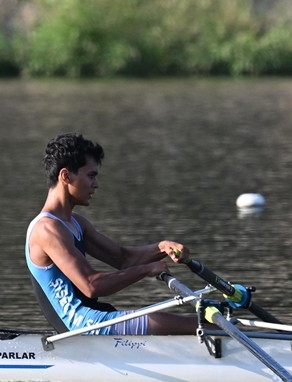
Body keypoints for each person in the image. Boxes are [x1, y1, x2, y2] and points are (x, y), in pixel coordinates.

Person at [26, 133, 198, 335]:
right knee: (191, 325)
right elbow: (91, 285)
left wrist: (162, 248)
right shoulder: (47, 229)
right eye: (91, 175)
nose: (96, 184)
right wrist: (146, 270)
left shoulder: (76, 223)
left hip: (95, 317)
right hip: (82, 325)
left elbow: (123, 258)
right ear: (65, 176)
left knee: (198, 322)